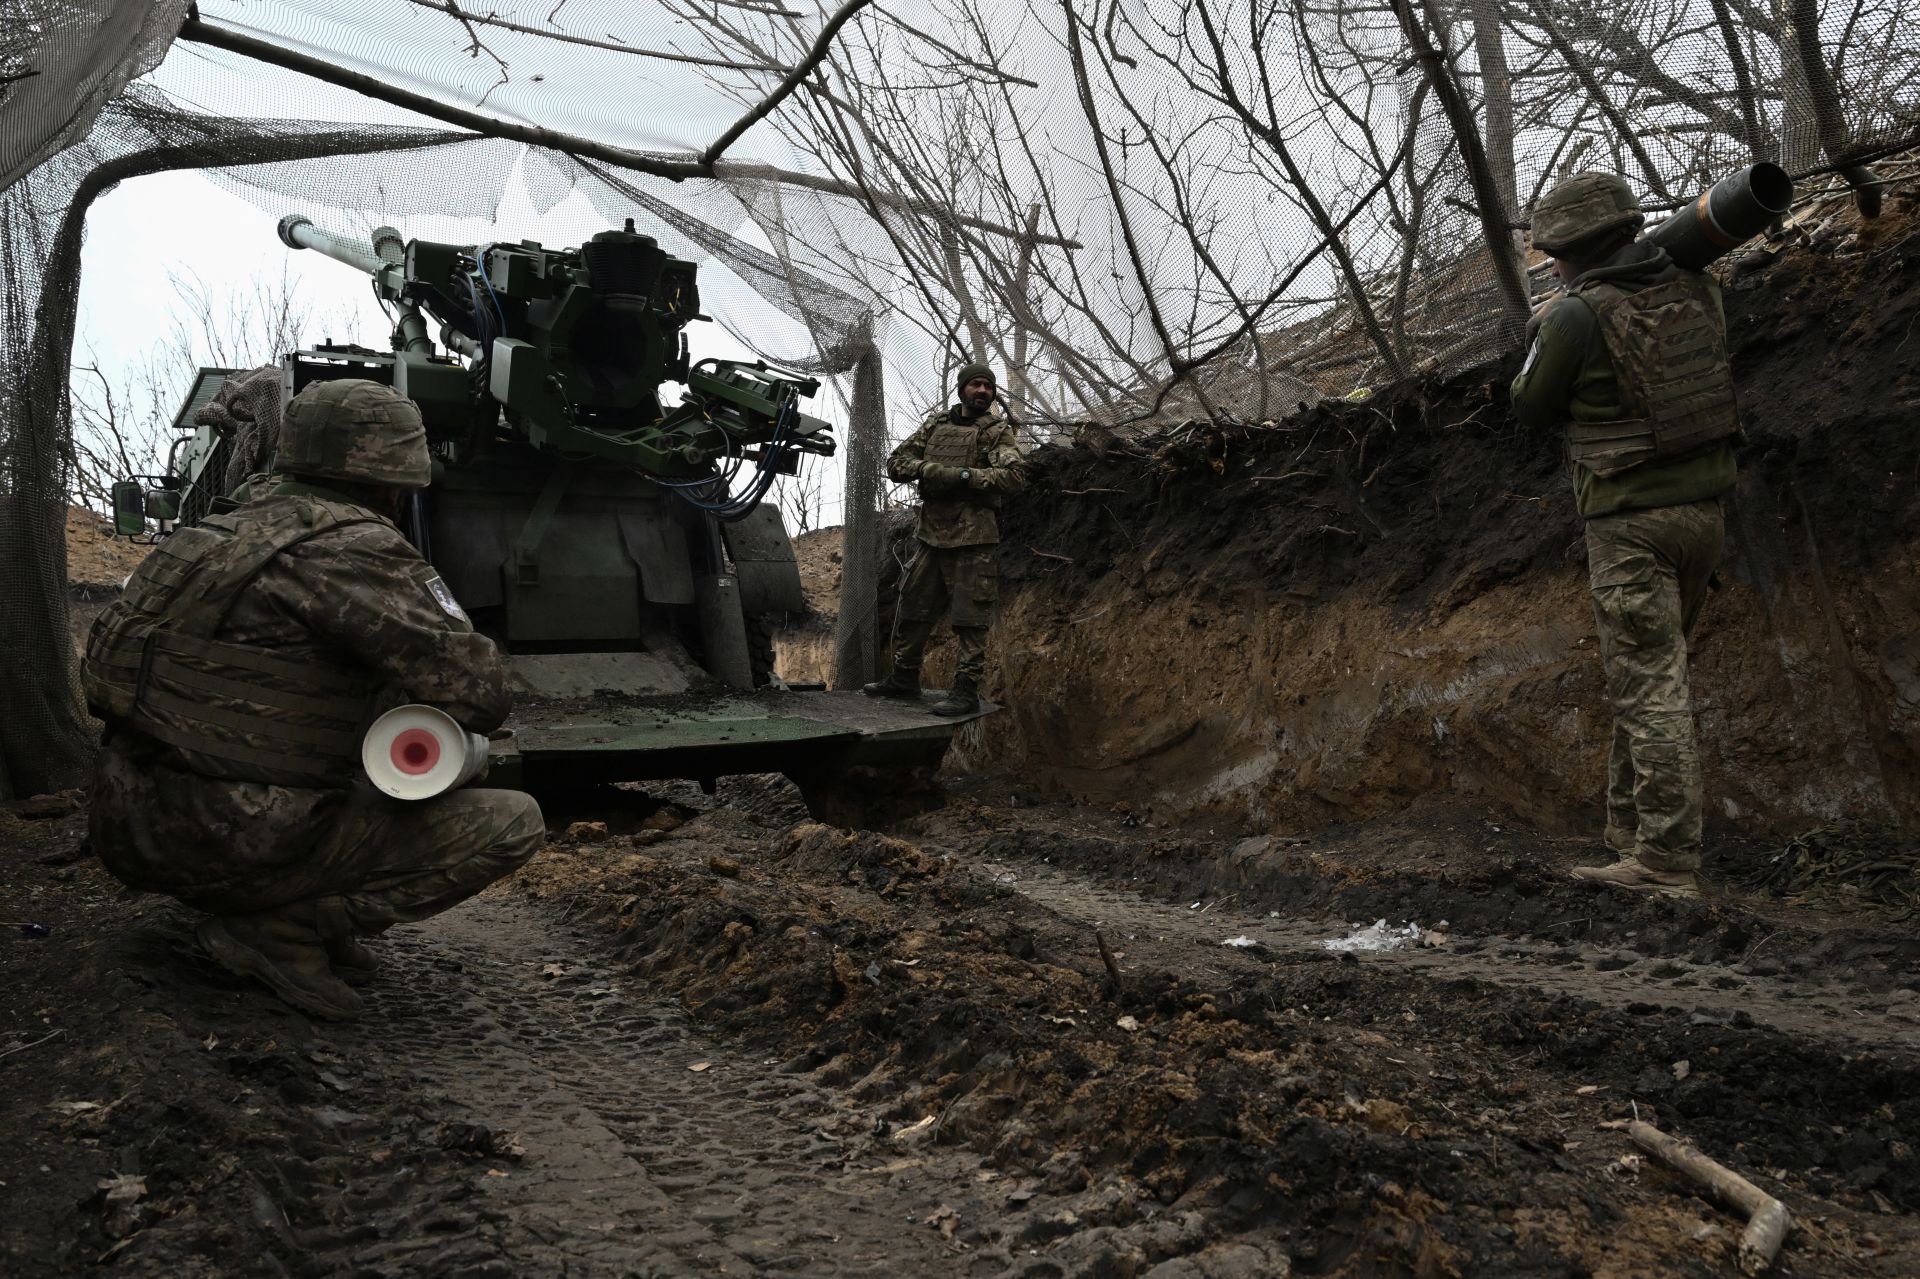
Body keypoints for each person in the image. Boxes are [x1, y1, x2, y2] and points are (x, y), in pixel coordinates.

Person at [82, 378, 545, 1019]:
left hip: (126, 821)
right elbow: (481, 695)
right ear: (395, 479)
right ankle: (284, 929)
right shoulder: (356, 547)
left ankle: (294, 914)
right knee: (512, 819)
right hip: (231, 838)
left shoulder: (204, 536)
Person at [1511, 172, 1742, 899]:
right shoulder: (1697, 290)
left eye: (1554, 254)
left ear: (1573, 253)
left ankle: (1667, 861)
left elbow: (1532, 406)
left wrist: (1542, 333)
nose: (1551, 266)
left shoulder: (1575, 316)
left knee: (1649, 689)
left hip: (1629, 524)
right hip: (1704, 515)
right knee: (1645, 679)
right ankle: (1627, 835)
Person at [862, 363, 1027, 717]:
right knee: (912, 608)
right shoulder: (937, 426)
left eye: (988, 386)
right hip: (930, 535)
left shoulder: (996, 432)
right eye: (975, 385)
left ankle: (965, 691)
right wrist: (924, 469)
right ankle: (904, 678)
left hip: (973, 538)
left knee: (970, 619)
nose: (982, 391)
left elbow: (1013, 478)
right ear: (961, 389)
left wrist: (965, 476)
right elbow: (896, 462)